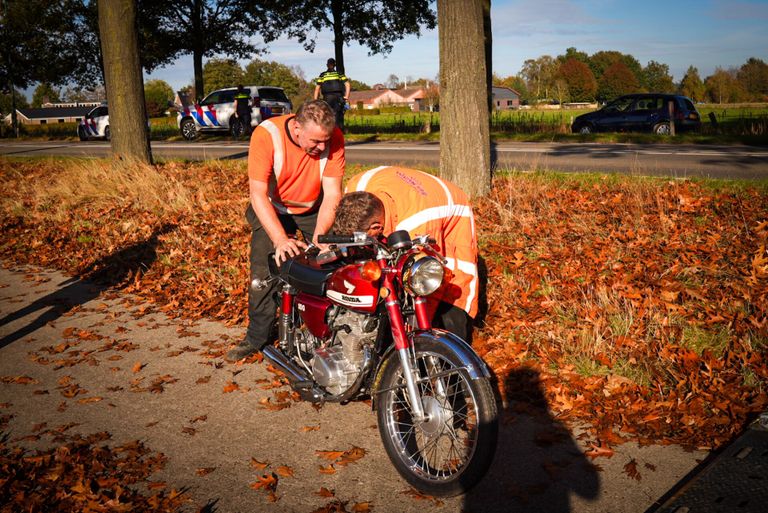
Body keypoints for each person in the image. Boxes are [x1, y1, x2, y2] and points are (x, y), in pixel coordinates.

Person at [225, 100, 345, 362]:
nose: (322, 147)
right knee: (264, 271)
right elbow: (257, 195)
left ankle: (329, 330)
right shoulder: (267, 135)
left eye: (326, 141)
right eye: (315, 141)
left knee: (333, 260)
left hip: (313, 206)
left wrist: (319, 238)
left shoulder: (333, 136)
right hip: (272, 206)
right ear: (298, 128)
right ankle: (256, 338)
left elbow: (333, 194)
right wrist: (280, 239)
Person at [335, 166, 478, 342]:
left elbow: (423, 282)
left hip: (449, 209)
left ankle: (451, 349)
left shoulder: (416, 224)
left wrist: (415, 330)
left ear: (376, 228)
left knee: (444, 280)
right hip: (399, 188)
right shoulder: (356, 187)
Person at [314, 58, 351, 132]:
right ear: (334, 65)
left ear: (327, 65)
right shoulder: (338, 74)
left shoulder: (324, 75)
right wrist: (346, 97)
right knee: (335, 115)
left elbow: (317, 89)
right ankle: (336, 132)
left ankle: (332, 132)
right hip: (335, 97)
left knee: (329, 115)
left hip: (330, 97)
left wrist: (315, 101)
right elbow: (347, 85)